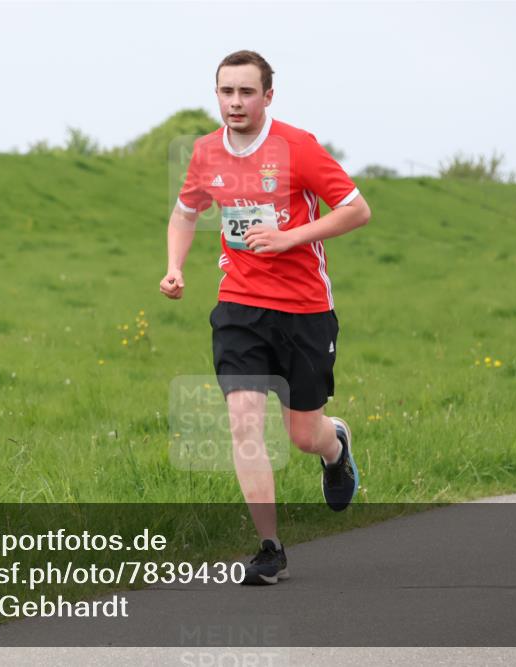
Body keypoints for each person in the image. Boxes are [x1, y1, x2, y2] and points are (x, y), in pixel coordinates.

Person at [159, 50, 371, 585]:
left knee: (303, 435)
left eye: (246, 92)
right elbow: (186, 213)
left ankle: (335, 446)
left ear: (267, 96)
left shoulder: (297, 146)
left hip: (304, 308)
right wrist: (174, 267)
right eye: (226, 91)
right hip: (240, 305)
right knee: (244, 420)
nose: (235, 102)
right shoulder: (206, 152)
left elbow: (356, 209)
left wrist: (289, 237)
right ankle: (270, 547)